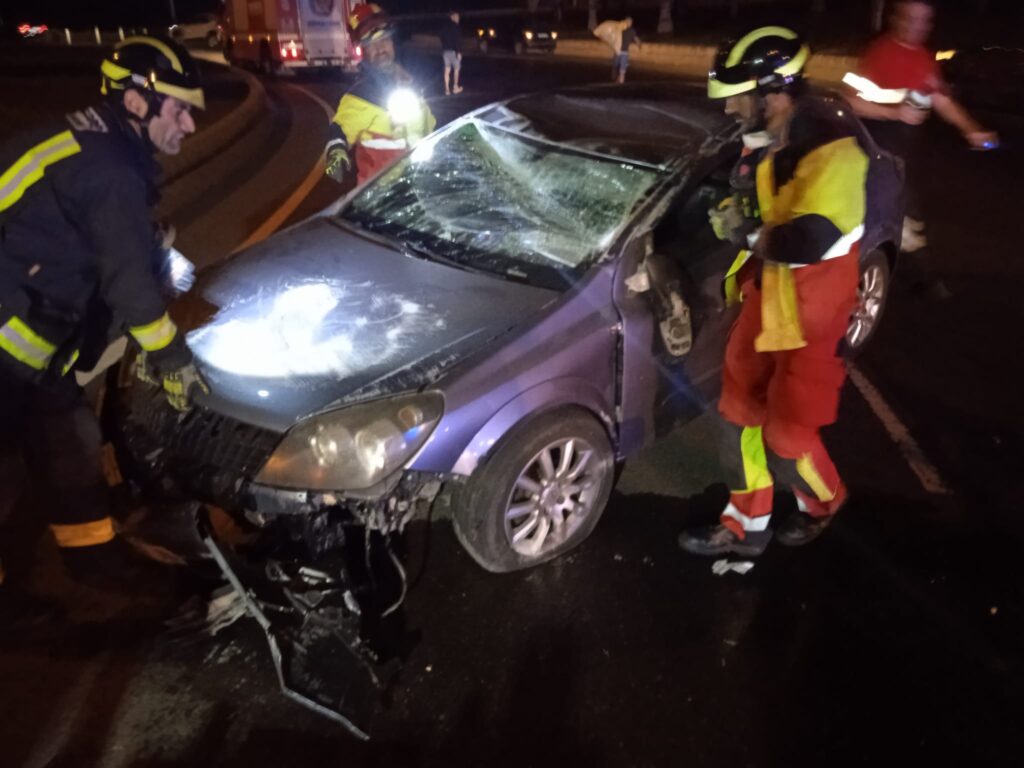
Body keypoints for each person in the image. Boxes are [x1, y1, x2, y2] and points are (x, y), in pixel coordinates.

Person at [0, 36, 208, 587]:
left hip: (30, 345)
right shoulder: (110, 168)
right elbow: (126, 281)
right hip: (9, 341)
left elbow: (103, 244)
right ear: (138, 101)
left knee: (67, 437)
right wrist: (170, 357)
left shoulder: (98, 147)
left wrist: (154, 251)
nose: (188, 127)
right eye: (181, 109)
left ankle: (92, 555)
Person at [679, 27, 868, 557]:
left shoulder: (837, 156)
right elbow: (760, 200)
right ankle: (745, 524)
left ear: (773, 93)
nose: (732, 109)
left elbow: (808, 238)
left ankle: (825, 502)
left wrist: (745, 230)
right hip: (768, 301)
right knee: (736, 413)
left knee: (788, 437)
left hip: (814, 319)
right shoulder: (771, 140)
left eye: (740, 97)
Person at [849, 0, 997, 296]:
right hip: (873, 152)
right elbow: (850, 101)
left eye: (924, 21)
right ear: (896, 19)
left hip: (900, 157)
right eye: (911, 19)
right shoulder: (879, 53)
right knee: (890, 215)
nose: (918, 27)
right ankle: (914, 279)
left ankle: (907, 274)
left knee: (901, 218)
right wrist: (894, 113)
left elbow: (941, 100)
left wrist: (972, 129)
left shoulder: (923, 58)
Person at [325, 3, 436, 187]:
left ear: (393, 41)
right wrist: (336, 151)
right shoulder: (359, 96)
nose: (380, 48)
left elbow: (430, 126)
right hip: (379, 201)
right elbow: (340, 129)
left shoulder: (410, 82)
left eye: (384, 39)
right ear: (363, 50)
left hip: (420, 191)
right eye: (371, 44)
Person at [593, 17, 641, 84]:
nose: (629, 23)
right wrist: (639, 45)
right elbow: (636, 39)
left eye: (629, 22)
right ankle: (618, 81)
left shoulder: (622, 29)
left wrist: (639, 44)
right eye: (629, 22)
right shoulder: (624, 30)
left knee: (618, 68)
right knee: (619, 69)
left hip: (620, 52)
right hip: (621, 52)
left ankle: (617, 80)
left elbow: (611, 34)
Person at [439, 11, 463, 96]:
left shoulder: (444, 27)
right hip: (453, 51)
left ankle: (447, 90)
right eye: (456, 16)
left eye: (458, 16)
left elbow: (441, 37)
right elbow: (458, 40)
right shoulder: (456, 27)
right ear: (452, 17)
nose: (458, 18)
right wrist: (459, 52)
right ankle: (455, 87)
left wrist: (445, 45)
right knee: (456, 69)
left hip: (445, 51)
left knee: (447, 70)